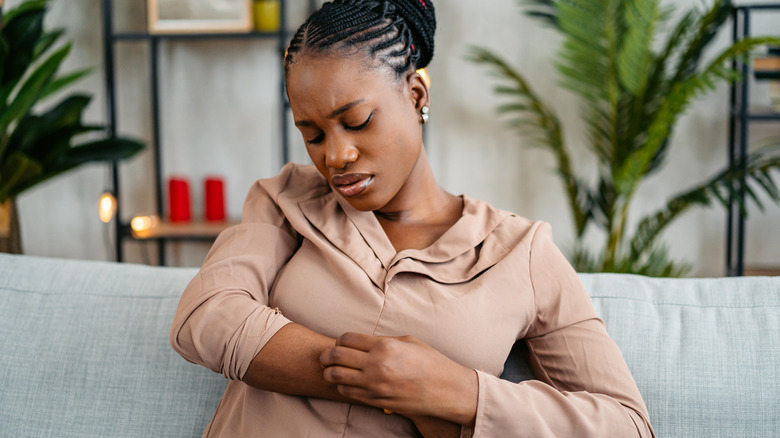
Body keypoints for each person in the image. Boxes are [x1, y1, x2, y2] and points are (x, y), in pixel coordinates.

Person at [170, 0, 655, 436]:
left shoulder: (521, 251)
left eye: (357, 121)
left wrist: (458, 392)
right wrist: (384, 383)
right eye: (313, 134)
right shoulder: (286, 200)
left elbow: (627, 426)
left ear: (417, 96)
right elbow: (206, 318)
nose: (336, 155)